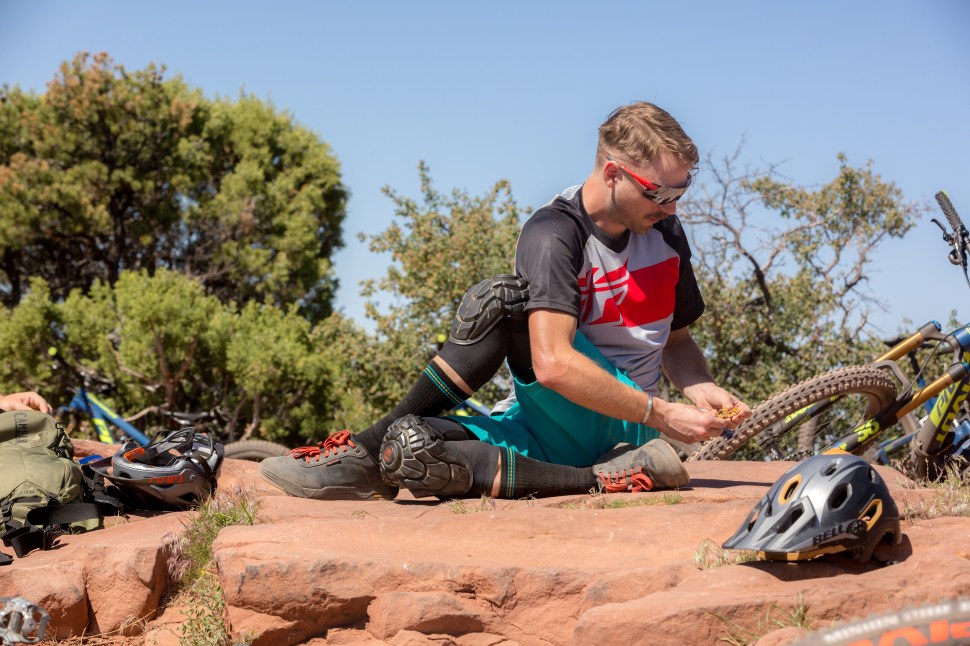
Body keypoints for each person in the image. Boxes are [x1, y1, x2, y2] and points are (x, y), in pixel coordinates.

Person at [260, 101, 752, 501]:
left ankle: (361, 456)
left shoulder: (666, 233)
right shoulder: (554, 232)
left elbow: (677, 341)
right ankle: (608, 475)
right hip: (562, 421)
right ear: (612, 173)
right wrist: (662, 414)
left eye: (680, 190)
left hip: (628, 421)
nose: (672, 206)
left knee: (503, 302)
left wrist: (701, 387)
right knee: (408, 448)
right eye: (658, 193)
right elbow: (554, 365)